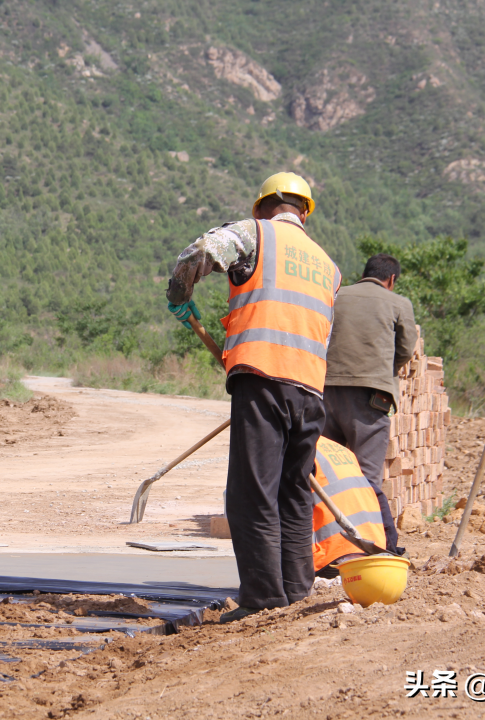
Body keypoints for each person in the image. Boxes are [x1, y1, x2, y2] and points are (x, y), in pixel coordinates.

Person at [166, 172, 340, 622]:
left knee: (252, 493)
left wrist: (180, 293)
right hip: (310, 390)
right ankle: (296, 591)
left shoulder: (254, 233)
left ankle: (263, 599)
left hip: (262, 377)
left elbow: (199, 253)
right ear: (305, 212)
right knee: (294, 493)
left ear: (263, 207)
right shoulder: (328, 266)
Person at [321, 253, 416, 554]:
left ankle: (327, 548)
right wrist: (382, 372)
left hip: (325, 392)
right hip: (369, 399)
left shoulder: (337, 296)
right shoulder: (398, 303)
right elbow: (406, 349)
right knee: (367, 477)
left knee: (325, 474)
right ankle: (384, 545)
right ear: (391, 280)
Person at [311, 436, 387, 578]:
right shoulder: (342, 450)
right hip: (375, 554)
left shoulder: (296, 451)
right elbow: (379, 495)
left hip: (331, 560)